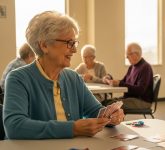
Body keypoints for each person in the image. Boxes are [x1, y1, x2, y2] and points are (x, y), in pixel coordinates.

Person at [3, 11, 124, 139]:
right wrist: (73, 128)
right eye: (69, 43)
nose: (74, 50)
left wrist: (110, 116)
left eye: (74, 43)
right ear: (44, 45)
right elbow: (14, 126)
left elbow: (96, 111)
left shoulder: (74, 78)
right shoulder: (18, 78)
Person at [102, 43, 154, 110]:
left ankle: (110, 120)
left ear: (136, 54)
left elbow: (140, 90)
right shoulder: (132, 67)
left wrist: (119, 83)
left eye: (128, 55)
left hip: (142, 101)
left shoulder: (146, 67)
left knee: (108, 105)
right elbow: (123, 82)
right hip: (131, 98)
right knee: (104, 102)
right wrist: (111, 79)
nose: (127, 57)